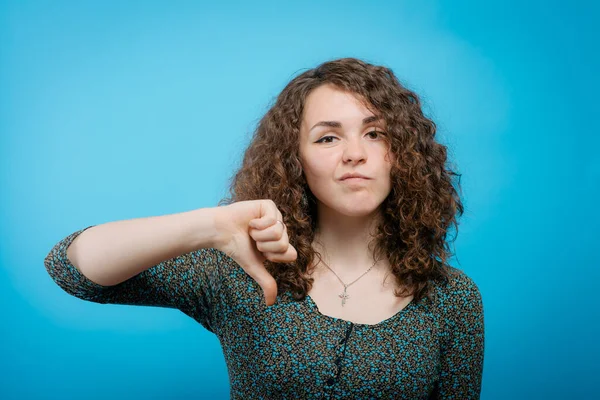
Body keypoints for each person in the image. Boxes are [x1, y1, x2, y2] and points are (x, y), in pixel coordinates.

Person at [44, 57, 484, 399]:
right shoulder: (246, 271)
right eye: (328, 137)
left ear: (401, 153)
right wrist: (212, 226)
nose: (355, 153)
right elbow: (71, 267)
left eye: (375, 133)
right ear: (297, 160)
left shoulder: (451, 299)